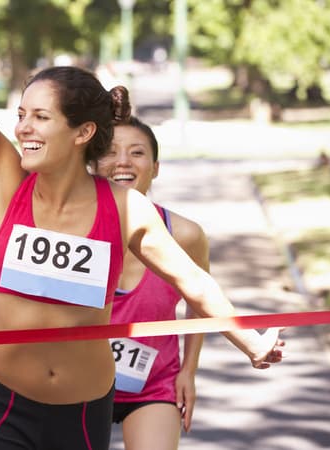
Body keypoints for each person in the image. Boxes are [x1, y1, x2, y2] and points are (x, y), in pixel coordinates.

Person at [0, 1, 284, 449]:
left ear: (81, 133)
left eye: (40, 117)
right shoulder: (4, 181)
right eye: (22, 115)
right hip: (2, 404)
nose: (23, 129)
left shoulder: (124, 208)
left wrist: (249, 342)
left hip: (80, 412)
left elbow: (194, 281)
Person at [94, 117, 206, 449]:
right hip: (77, 385)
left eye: (137, 152)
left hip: (152, 386)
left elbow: (200, 303)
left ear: (155, 167)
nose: (123, 161)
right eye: (110, 152)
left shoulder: (185, 235)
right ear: (91, 163)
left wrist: (189, 370)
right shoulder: (70, 231)